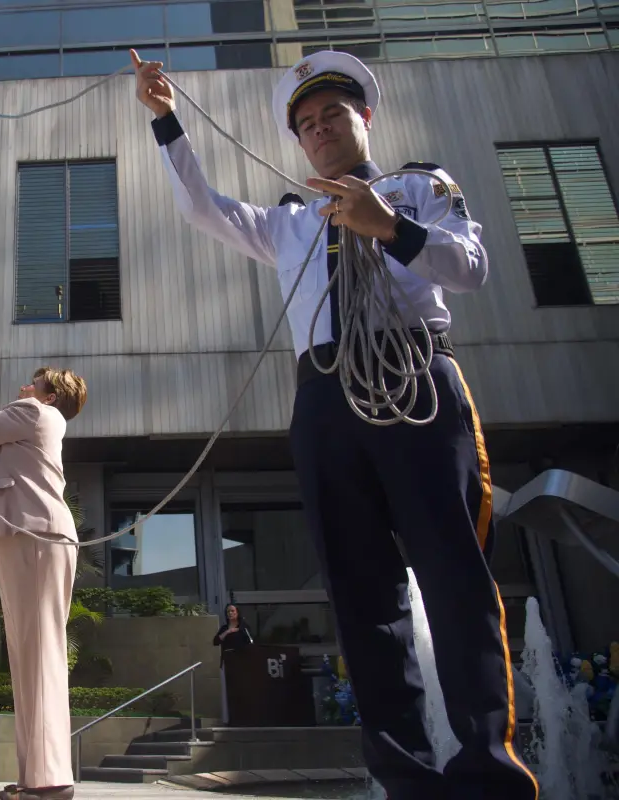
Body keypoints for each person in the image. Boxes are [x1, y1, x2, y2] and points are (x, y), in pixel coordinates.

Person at [129, 47, 537, 800]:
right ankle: (405, 776)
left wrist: (390, 228)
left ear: (365, 119)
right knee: (360, 592)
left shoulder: (420, 186)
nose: (319, 130)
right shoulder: (293, 221)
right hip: (324, 397)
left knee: (452, 573)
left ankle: (487, 765)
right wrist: (166, 122)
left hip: (413, 379)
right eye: (307, 123)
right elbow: (203, 208)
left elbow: (472, 268)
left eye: (333, 116)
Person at [0, 367, 88, 800]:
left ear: (50, 394)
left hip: (35, 538)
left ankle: (50, 781)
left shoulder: (33, 412)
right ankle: (38, 778)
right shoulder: (33, 425)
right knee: (31, 652)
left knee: (38, 650)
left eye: (34, 382)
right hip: (32, 537)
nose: (25, 386)